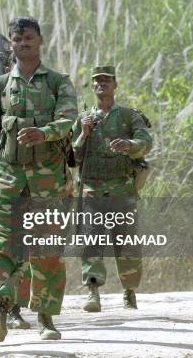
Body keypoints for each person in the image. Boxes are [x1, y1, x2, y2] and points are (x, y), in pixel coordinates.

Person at [0, 16, 78, 342]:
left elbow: (67, 120)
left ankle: (46, 317)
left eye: (29, 37)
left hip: (48, 182)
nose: (23, 43)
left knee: (46, 250)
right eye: (17, 39)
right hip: (7, 180)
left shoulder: (58, 83)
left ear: (40, 40)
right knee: (0, 246)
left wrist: (44, 133)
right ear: (11, 44)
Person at [72, 65, 152, 313]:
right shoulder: (84, 118)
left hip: (122, 191)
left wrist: (129, 145)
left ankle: (129, 291)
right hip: (92, 191)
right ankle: (93, 292)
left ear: (115, 84)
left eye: (106, 80)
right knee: (91, 241)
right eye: (96, 81)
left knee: (126, 242)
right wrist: (83, 134)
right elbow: (72, 157)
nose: (101, 84)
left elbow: (146, 142)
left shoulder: (128, 116)